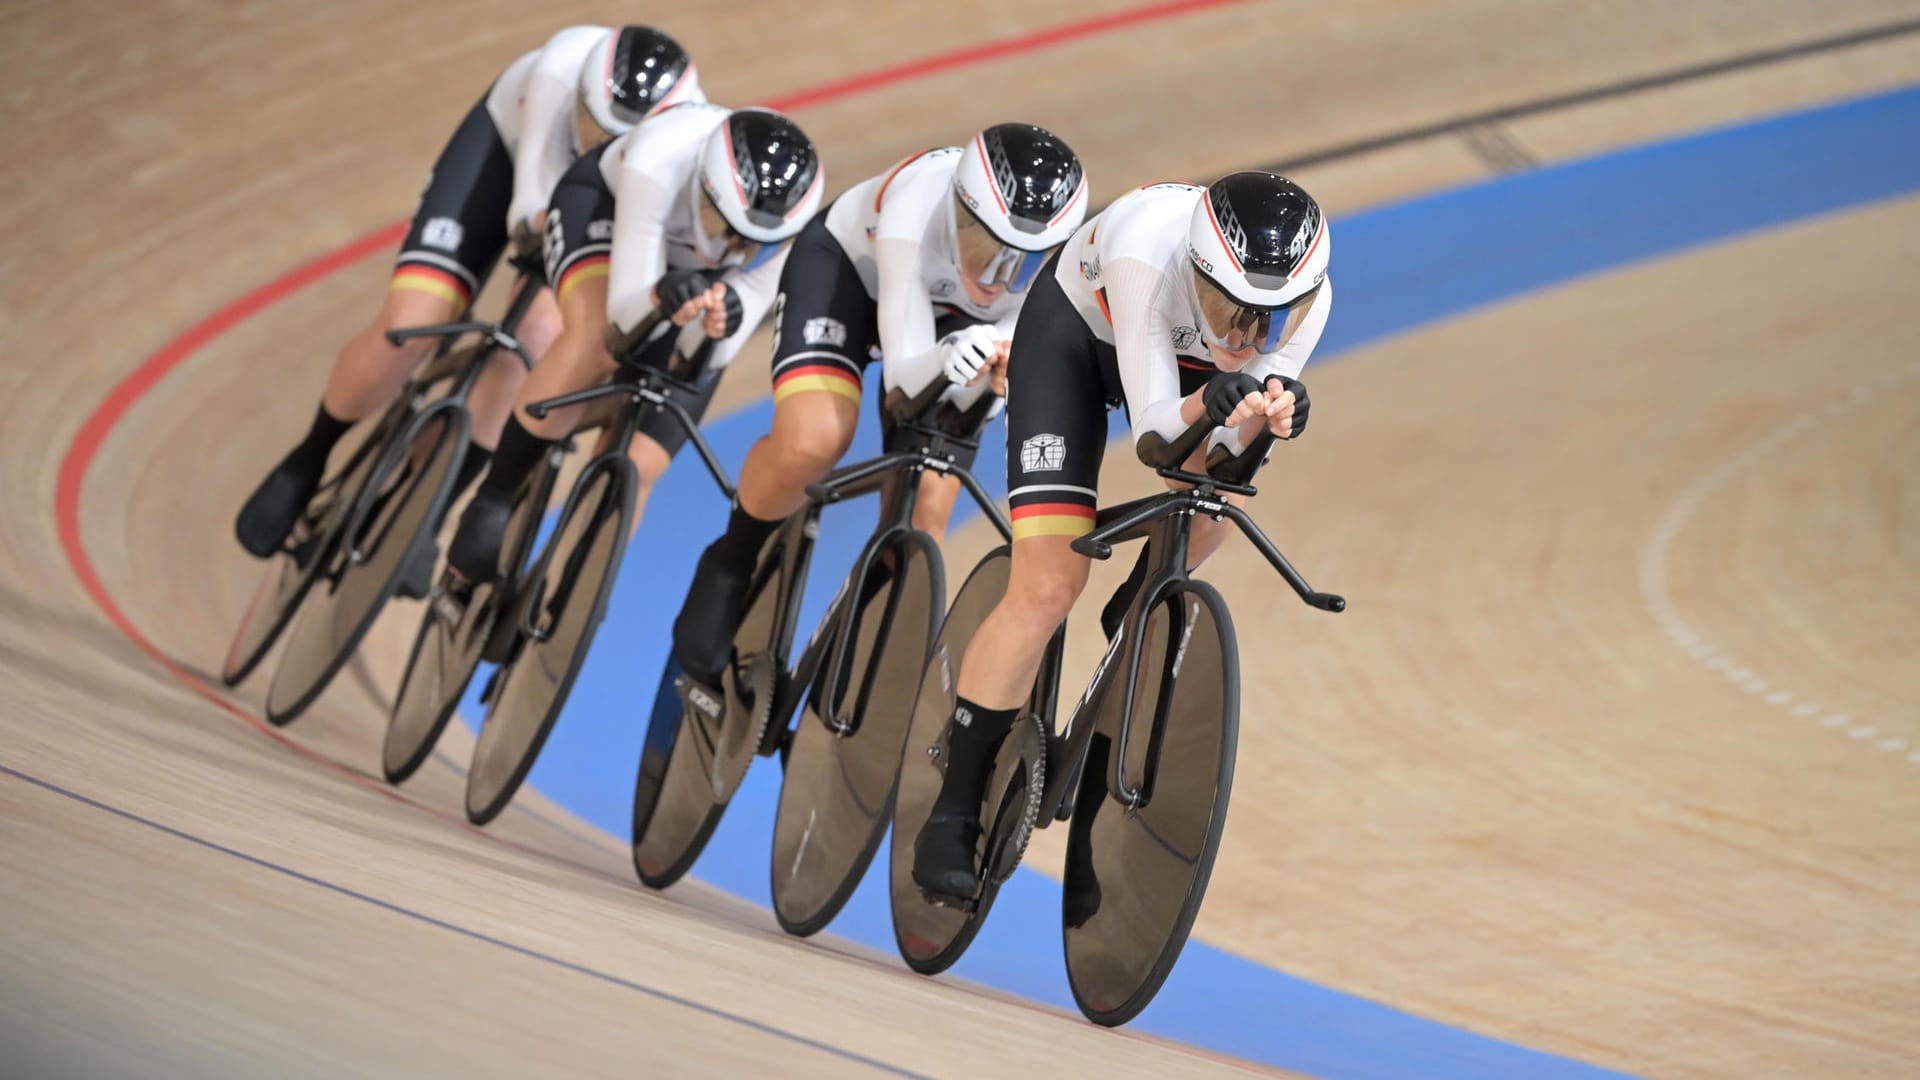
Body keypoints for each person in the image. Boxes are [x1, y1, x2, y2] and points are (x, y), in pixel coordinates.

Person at [909, 170, 1332, 902]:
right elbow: (1157, 436)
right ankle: (955, 802)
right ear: (1195, 270)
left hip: (1187, 375)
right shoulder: (1143, 252)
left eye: (1266, 319)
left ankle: (1132, 623)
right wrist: (1219, 396)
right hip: (1076, 341)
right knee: (1047, 586)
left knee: (1209, 509)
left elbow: (1225, 462)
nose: (1242, 335)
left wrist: (1272, 416)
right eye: (1225, 307)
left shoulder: (1311, 301)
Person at [232, 25, 704, 586]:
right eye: (591, 123)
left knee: (534, 340)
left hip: (604, 206)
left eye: (614, 139)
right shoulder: (558, 71)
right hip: (510, 156)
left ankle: (425, 513)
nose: (595, 142)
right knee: (414, 325)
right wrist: (542, 234)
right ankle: (308, 460)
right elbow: (531, 201)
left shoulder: (678, 146)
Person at [666, 123, 1092, 699]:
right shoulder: (915, 206)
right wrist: (952, 357)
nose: (995, 278)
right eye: (985, 249)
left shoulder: (1049, 276)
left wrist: (996, 373)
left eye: (1021, 262)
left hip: (955, 332)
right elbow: (903, 383)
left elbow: (994, 375)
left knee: (926, 518)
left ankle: (852, 687)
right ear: (958, 212)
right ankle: (732, 560)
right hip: (852, 279)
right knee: (813, 440)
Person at [439, 101, 825, 585]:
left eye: (748, 243)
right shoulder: (659, 162)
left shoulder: (793, 234)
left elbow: (718, 350)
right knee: (594, 345)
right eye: (719, 222)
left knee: (643, 465)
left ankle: (579, 588)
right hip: (602, 212)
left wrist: (716, 321)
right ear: (702, 184)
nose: (727, 247)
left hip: (691, 278)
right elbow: (623, 316)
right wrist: (662, 294)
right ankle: (493, 498)